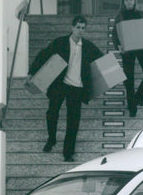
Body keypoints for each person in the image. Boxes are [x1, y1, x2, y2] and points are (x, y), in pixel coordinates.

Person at [29, 15, 102, 162]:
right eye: (78, 27)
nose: (80, 30)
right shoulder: (60, 42)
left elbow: (102, 59)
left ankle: (68, 153)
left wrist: (114, 69)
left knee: (73, 120)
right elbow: (43, 55)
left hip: (77, 88)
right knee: (52, 113)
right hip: (60, 84)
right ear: (72, 28)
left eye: (83, 28)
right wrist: (31, 72)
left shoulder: (88, 46)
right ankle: (51, 139)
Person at [112, 0, 143, 118]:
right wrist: (118, 46)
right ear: (123, 2)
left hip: (142, 49)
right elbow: (114, 34)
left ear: (134, 1)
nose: (128, 1)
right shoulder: (120, 16)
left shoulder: (142, 14)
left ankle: (138, 97)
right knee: (129, 79)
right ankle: (132, 107)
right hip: (127, 50)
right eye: (126, 0)